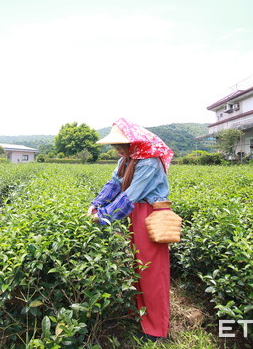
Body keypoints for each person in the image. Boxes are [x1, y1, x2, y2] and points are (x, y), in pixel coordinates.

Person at [88, 118, 174, 342]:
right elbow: (113, 184)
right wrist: (95, 204)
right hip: (135, 215)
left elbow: (130, 195)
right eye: (114, 145)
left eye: (119, 145)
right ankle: (140, 315)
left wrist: (105, 216)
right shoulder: (127, 159)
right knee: (138, 267)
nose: (116, 149)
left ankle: (155, 329)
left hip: (149, 215)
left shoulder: (149, 162)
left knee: (152, 272)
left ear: (132, 142)